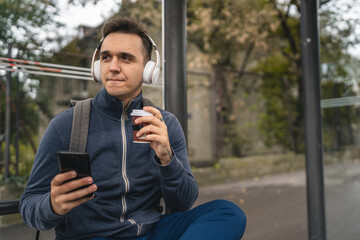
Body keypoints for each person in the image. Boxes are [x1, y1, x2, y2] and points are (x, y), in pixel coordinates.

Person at [19, 17, 246, 240]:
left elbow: (183, 203)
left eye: (126, 58)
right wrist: (52, 205)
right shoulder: (65, 125)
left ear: (149, 70)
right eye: (106, 57)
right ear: (97, 67)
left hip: (152, 231)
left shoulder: (165, 124)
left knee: (227, 213)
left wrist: (167, 159)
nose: (113, 67)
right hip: (91, 236)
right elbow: (29, 206)